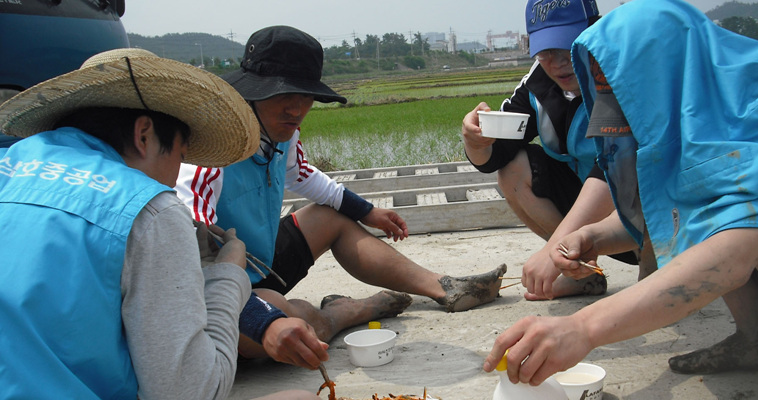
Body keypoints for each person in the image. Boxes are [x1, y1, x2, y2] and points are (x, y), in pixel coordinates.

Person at [483, 0, 758, 398]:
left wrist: (582, 328)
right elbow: (676, 201)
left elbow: (731, 253)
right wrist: (594, 237)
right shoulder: (698, 104)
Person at [176, 25, 506, 368]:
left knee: (330, 216)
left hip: (259, 260)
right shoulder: (208, 152)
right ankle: (341, 314)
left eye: (305, 98)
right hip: (219, 291)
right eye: (284, 96)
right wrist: (267, 320)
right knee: (284, 312)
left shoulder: (280, 132)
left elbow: (300, 174)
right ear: (254, 92)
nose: (296, 110)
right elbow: (191, 265)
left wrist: (365, 211)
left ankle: (445, 287)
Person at [0, 48, 319, 400]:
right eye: (181, 157)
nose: (171, 182)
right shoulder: (151, 209)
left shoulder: (11, 163)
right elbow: (194, 392)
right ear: (144, 134)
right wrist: (228, 272)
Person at [461, 0, 648, 301]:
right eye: (545, 50)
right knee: (513, 169)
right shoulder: (537, 85)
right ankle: (580, 272)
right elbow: (496, 156)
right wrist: (475, 139)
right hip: (589, 210)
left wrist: (553, 249)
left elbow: (615, 163)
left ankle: (653, 264)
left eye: (567, 46)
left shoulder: (619, 72)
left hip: (640, 205)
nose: (557, 61)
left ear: (593, 30)